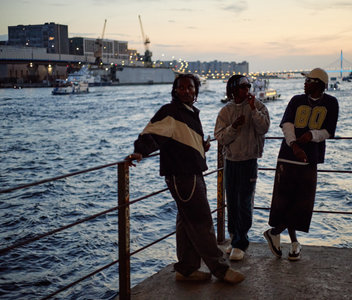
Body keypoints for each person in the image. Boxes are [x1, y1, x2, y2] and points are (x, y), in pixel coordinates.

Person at [125, 74, 245, 284]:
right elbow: (152, 134)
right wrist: (139, 152)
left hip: (192, 172)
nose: (186, 91)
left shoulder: (189, 112)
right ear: (175, 90)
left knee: (185, 222)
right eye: (181, 88)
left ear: (196, 91)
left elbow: (183, 139)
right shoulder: (170, 111)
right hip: (182, 176)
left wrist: (202, 146)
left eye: (190, 87)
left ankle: (187, 268)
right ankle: (220, 269)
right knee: (202, 222)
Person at [263, 68, 339, 261]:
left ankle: (277, 233)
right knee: (285, 202)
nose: (305, 84)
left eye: (309, 81)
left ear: (319, 84)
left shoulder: (331, 103)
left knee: (302, 203)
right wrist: (294, 145)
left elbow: (329, 131)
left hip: (310, 158)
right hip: (288, 157)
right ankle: (293, 242)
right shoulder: (296, 100)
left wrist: (312, 135)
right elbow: (287, 124)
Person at [215, 75, 270, 261]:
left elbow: (264, 128)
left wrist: (253, 110)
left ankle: (241, 242)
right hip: (231, 161)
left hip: (249, 160)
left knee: (245, 202)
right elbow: (221, 138)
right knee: (231, 201)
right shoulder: (226, 111)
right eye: (242, 86)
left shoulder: (258, 106)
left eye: (248, 86)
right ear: (233, 89)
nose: (247, 90)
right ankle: (234, 238)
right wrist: (234, 127)